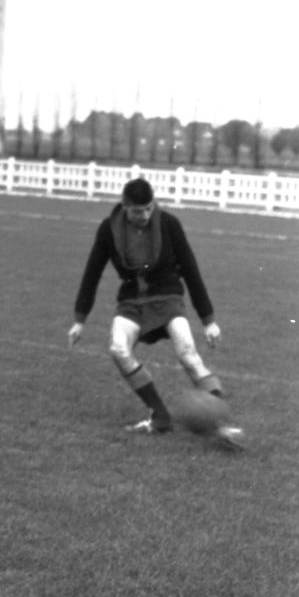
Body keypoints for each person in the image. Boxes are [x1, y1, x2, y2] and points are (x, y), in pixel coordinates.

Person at [67, 176, 244, 448]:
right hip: (131, 301)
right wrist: (80, 319)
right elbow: (92, 272)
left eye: (149, 208)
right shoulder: (108, 230)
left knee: (187, 353)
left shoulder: (170, 224)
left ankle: (222, 426)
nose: (145, 215)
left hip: (167, 296)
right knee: (118, 349)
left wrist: (208, 320)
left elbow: (190, 269)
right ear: (125, 207)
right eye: (138, 211)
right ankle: (159, 416)